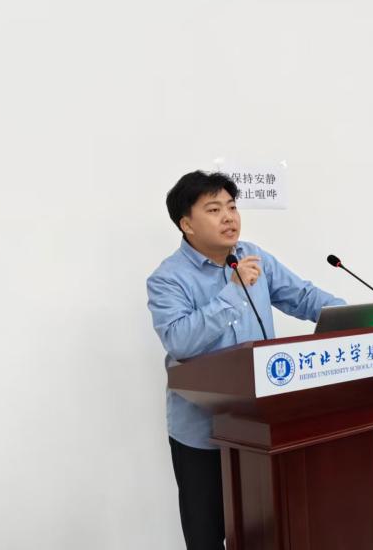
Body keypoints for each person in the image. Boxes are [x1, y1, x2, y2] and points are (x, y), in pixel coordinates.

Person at [146, 171, 344, 550]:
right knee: (206, 536)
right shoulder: (167, 279)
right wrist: (232, 293)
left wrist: (350, 315)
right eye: (214, 209)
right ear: (186, 224)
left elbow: (302, 297)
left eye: (232, 207)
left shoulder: (254, 257)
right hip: (203, 431)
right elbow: (180, 341)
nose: (229, 217)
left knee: (265, 528)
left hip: (262, 424)